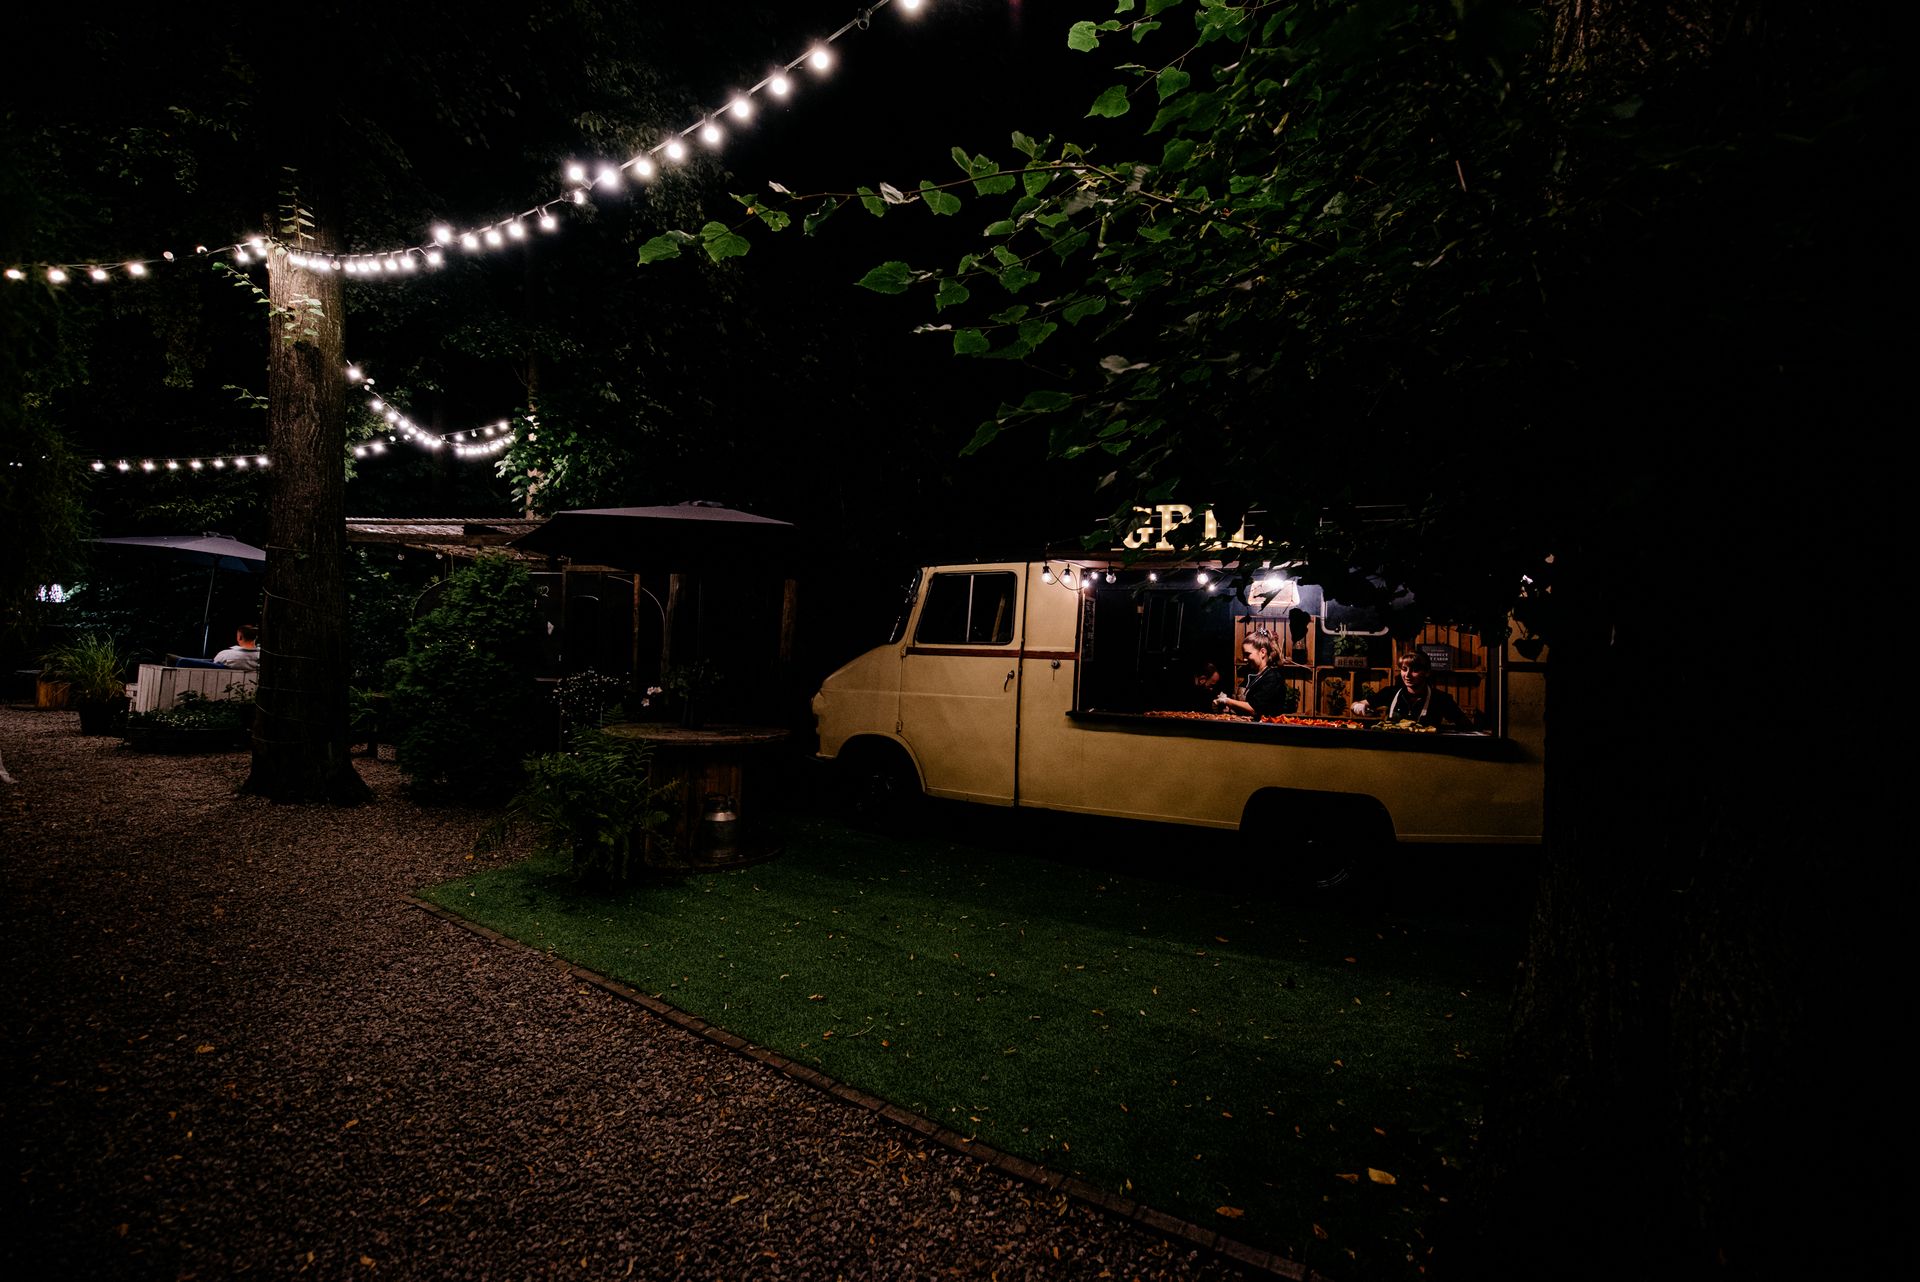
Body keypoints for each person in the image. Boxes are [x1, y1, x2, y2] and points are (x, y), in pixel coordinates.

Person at [1351, 650, 1472, 728]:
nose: (1407, 675)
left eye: (1415, 670)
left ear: (1427, 672)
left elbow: (1466, 726)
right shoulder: (1390, 692)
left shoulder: (1441, 699)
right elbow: (1354, 705)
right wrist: (1358, 707)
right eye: (1404, 669)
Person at [1214, 628, 1290, 719]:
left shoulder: (1273, 677)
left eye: (1247, 654)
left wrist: (1227, 701)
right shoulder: (1253, 674)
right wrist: (1229, 708)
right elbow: (1243, 704)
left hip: (1266, 727)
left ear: (1262, 652)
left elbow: (1255, 709)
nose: (1245, 658)